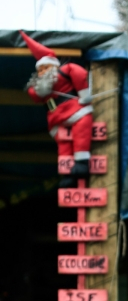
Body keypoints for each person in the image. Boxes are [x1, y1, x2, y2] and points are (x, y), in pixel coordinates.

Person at [20, 30, 93, 187]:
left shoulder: (64, 71)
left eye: (44, 68)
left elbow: (79, 73)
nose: (42, 72)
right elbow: (34, 95)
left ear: (52, 66)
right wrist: (37, 86)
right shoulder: (41, 86)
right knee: (64, 146)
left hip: (75, 111)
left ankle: (81, 163)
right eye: (39, 70)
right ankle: (67, 174)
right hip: (56, 119)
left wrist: (84, 94)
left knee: (82, 132)